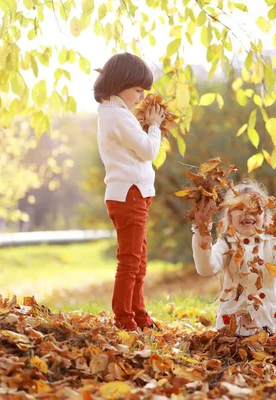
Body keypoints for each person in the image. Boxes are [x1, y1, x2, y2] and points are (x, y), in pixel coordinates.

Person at [94, 52, 166, 331]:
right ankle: (124, 319)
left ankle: (138, 313)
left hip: (133, 194)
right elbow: (148, 150)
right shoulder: (116, 116)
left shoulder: (115, 112)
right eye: (138, 90)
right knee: (130, 262)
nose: (140, 96)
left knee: (138, 261)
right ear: (120, 83)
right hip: (130, 194)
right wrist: (155, 127)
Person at [191, 180, 276, 336]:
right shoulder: (226, 243)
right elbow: (205, 269)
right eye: (239, 208)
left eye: (255, 208)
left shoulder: (273, 242)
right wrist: (201, 233)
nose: (247, 212)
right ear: (228, 216)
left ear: (265, 215)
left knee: (271, 356)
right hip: (236, 321)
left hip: (271, 320)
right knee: (235, 354)